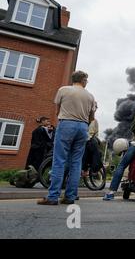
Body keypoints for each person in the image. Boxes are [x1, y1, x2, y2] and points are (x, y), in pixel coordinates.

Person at [37, 71, 96, 205]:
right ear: (83, 80)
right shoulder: (90, 96)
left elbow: (57, 111)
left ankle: (52, 197)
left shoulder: (63, 90)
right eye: (86, 80)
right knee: (76, 162)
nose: (87, 82)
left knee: (59, 160)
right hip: (83, 127)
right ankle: (70, 196)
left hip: (66, 124)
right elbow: (92, 118)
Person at [82, 102, 102, 177]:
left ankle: (91, 168)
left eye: (96, 107)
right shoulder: (84, 116)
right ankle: (89, 168)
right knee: (92, 147)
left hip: (90, 140)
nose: (95, 108)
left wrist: (95, 139)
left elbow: (96, 133)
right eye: (94, 107)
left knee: (96, 150)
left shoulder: (95, 121)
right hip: (83, 139)